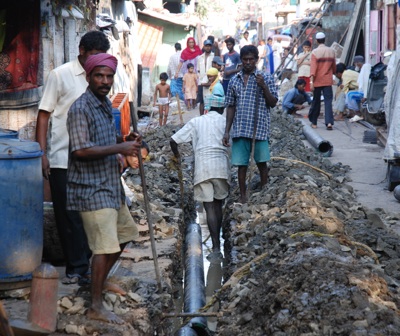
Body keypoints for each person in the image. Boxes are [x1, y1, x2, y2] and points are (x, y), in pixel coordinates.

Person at [67, 53, 142, 324]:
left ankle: (101, 282)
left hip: (110, 186)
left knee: (124, 235)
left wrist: (125, 140)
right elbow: (80, 150)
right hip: (91, 189)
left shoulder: (103, 104)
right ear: (88, 77)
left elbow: (104, 141)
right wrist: (119, 147)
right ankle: (95, 305)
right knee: (103, 247)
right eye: (99, 75)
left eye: (109, 76)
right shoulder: (80, 108)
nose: (105, 81)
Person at [36, 30, 110, 285]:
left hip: (92, 159)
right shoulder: (61, 75)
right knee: (68, 216)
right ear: (81, 51)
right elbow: (44, 115)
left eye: (100, 57)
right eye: (92, 56)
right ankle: (76, 268)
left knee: (90, 213)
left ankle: (87, 263)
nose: (96, 62)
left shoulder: (101, 77)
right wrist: (42, 153)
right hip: (62, 158)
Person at [170, 93, 230, 259]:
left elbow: (173, 140)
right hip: (221, 167)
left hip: (203, 168)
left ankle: (216, 248)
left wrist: (177, 157)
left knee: (209, 207)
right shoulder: (226, 122)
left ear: (206, 108)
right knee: (218, 205)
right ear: (222, 108)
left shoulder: (197, 121)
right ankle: (218, 246)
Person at [223, 45, 278, 204]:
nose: (248, 62)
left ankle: (264, 191)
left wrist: (264, 87)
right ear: (241, 60)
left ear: (256, 60)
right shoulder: (234, 80)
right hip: (240, 129)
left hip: (259, 128)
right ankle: (242, 195)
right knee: (241, 165)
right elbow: (231, 106)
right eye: (245, 59)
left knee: (262, 162)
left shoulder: (265, 78)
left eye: (251, 59)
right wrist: (227, 131)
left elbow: (273, 102)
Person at [308, 32, 336, 130]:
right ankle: (329, 123)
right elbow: (334, 67)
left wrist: (311, 82)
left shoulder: (315, 52)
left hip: (317, 81)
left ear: (316, 41)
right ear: (325, 39)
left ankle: (314, 123)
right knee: (328, 102)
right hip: (328, 80)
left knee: (316, 101)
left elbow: (313, 69)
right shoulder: (331, 51)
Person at [197, 39, 214, 115]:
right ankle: (201, 117)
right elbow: (198, 70)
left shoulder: (214, 56)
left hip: (211, 82)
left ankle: (209, 117)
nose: (208, 48)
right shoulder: (200, 57)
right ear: (204, 47)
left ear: (211, 47)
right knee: (202, 101)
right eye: (206, 46)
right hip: (201, 82)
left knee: (210, 101)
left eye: (209, 46)